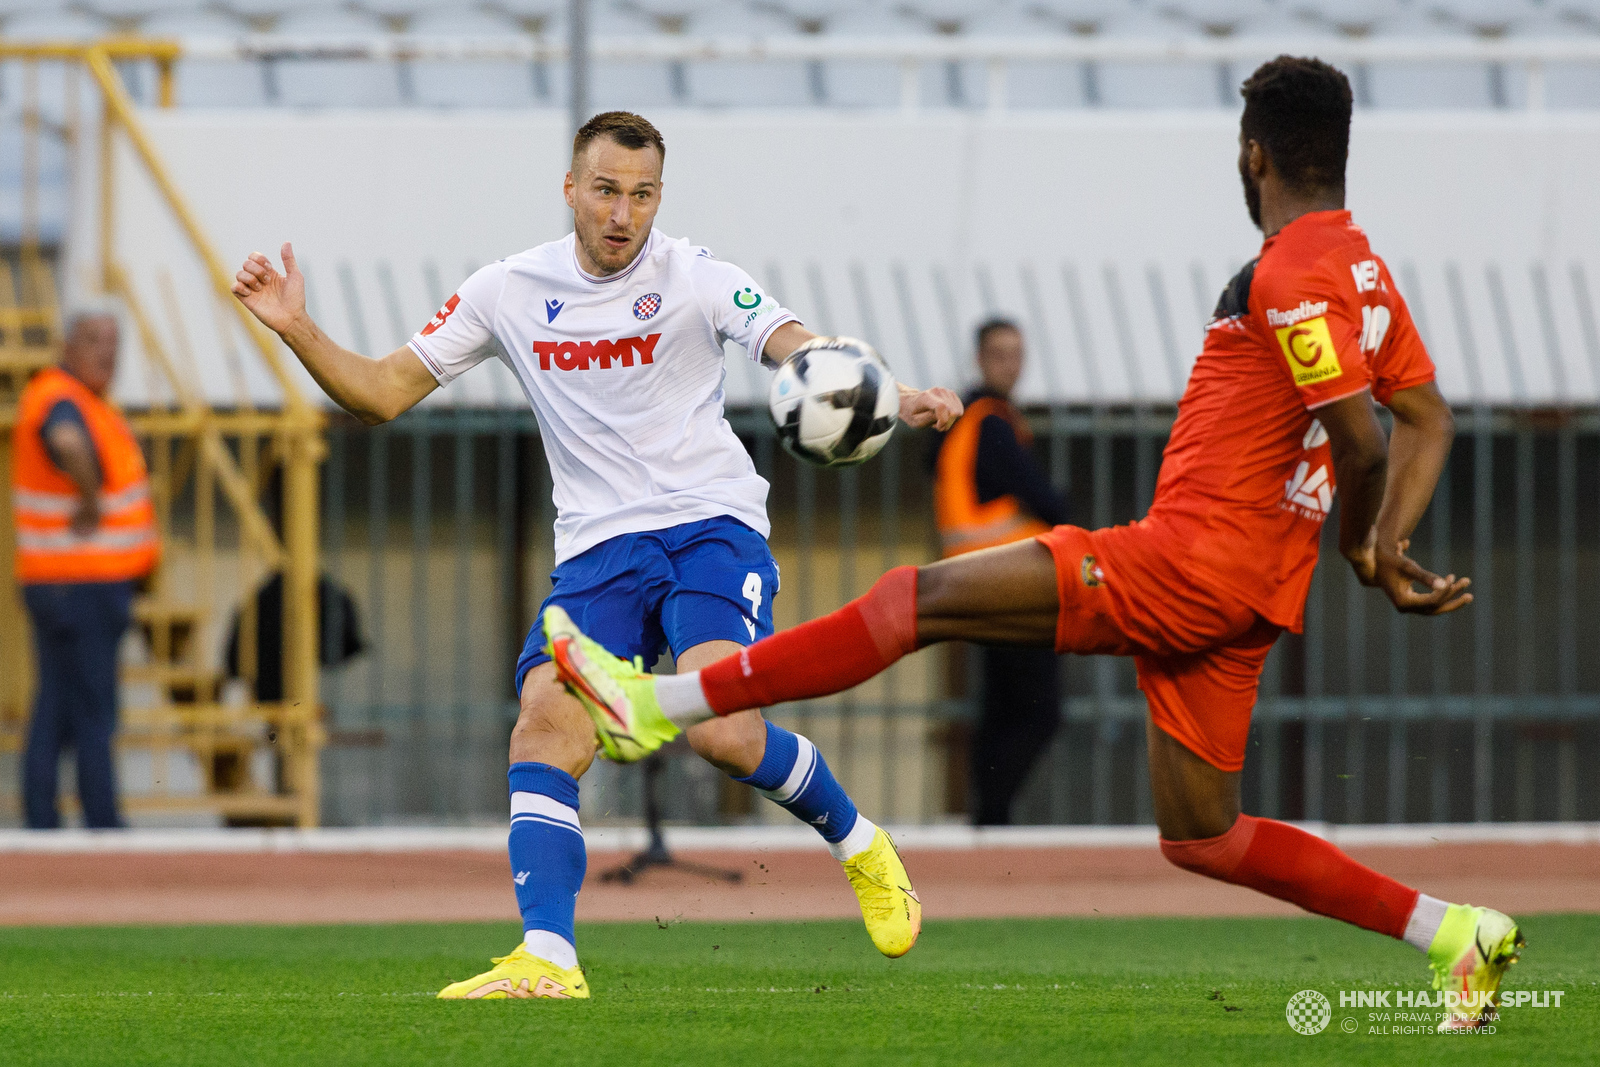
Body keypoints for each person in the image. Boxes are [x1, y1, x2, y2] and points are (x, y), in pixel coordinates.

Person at [549, 59, 1523, 1031]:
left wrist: (1364, 545)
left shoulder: (1291, 271)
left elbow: (1365, 437)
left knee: (909, 600)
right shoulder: (1364, 271)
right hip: (1245, 600)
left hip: (1184, 565)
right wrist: (1389, 541)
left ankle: (656, 702)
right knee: (1203, 836)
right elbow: (1427, 417)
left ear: (1252, 154)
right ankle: (1453, 933)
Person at [231, 111, 961, 1000]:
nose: (623, 213)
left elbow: (792, 345)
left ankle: (861, 844)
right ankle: (550, 958)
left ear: (660, 197)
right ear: (571, 189)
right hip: (596, 554)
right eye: (606, 190)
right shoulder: (508, 289)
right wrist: (295, 327)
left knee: (724, 732)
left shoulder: (695, 276)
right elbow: (383, 392)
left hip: (708, 527)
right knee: (543, 722)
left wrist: (895, 395)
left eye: (642, 194)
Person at [11, 305, 158, 829]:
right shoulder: (61, 398)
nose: (109, 352)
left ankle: (44, 819)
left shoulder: (89, 402)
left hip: (67, 581)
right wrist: (91, 498)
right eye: (96, 339)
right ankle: (101, 821)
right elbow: (66, 442)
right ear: (68, 345)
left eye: (115, 340)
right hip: (81, 582)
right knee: (93, 708)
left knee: (56, 704)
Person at [930, 318, 1068, 825]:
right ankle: (993, 812)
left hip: (972, 580)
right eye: (1001, 354)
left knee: (1002, 705)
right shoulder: (991, 420)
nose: (1012, 364)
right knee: (1039, 710)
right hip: (1012, 581)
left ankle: (988, 813)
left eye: (1017, 353)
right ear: (981, 359)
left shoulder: (963, 421)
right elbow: (1040, 497)